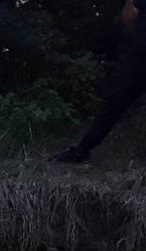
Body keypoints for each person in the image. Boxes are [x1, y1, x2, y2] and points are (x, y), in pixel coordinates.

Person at [53, 0, 146, 163]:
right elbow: (129, 19)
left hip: (140, 55)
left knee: (115, 101)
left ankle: (82, 150)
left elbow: (129, 19)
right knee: (115, 101)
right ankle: (82, 150)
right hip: (140, 57)